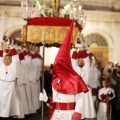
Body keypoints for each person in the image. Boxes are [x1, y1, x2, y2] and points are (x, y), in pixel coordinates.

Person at [40, 21, 88, 120]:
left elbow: (80, 99)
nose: (58, 68)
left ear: (65, 66)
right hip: (56, 116)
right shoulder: (55, 82)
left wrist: (77, 114)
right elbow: (54, 103)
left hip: (69, 115)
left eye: (60, 65)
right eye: (57, 65)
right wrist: (46, 99)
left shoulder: (75, 79)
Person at [0, 46, 20, 118]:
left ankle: (9, 115)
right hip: (1, 86)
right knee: (1, 101)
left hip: (10, 86)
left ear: (11, 60)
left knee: (9, 102)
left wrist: (11, 47)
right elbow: (0, 56)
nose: (7, 61)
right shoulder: (1, 65)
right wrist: (1, 48)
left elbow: (15, 57)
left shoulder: (13, 65)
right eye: (5, 59)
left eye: (9, 59)